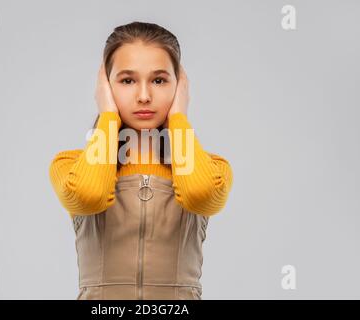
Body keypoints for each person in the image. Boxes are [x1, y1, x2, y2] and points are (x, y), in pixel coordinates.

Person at [49, 21, 233, 300]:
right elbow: (89, 195)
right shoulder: (72, 166)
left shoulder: (211, 168)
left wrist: (179, 116)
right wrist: (108, 114)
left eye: (159, 80)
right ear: (105, 87)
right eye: (127, 80)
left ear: (179, 86)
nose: (144, 96)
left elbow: (200, 194)